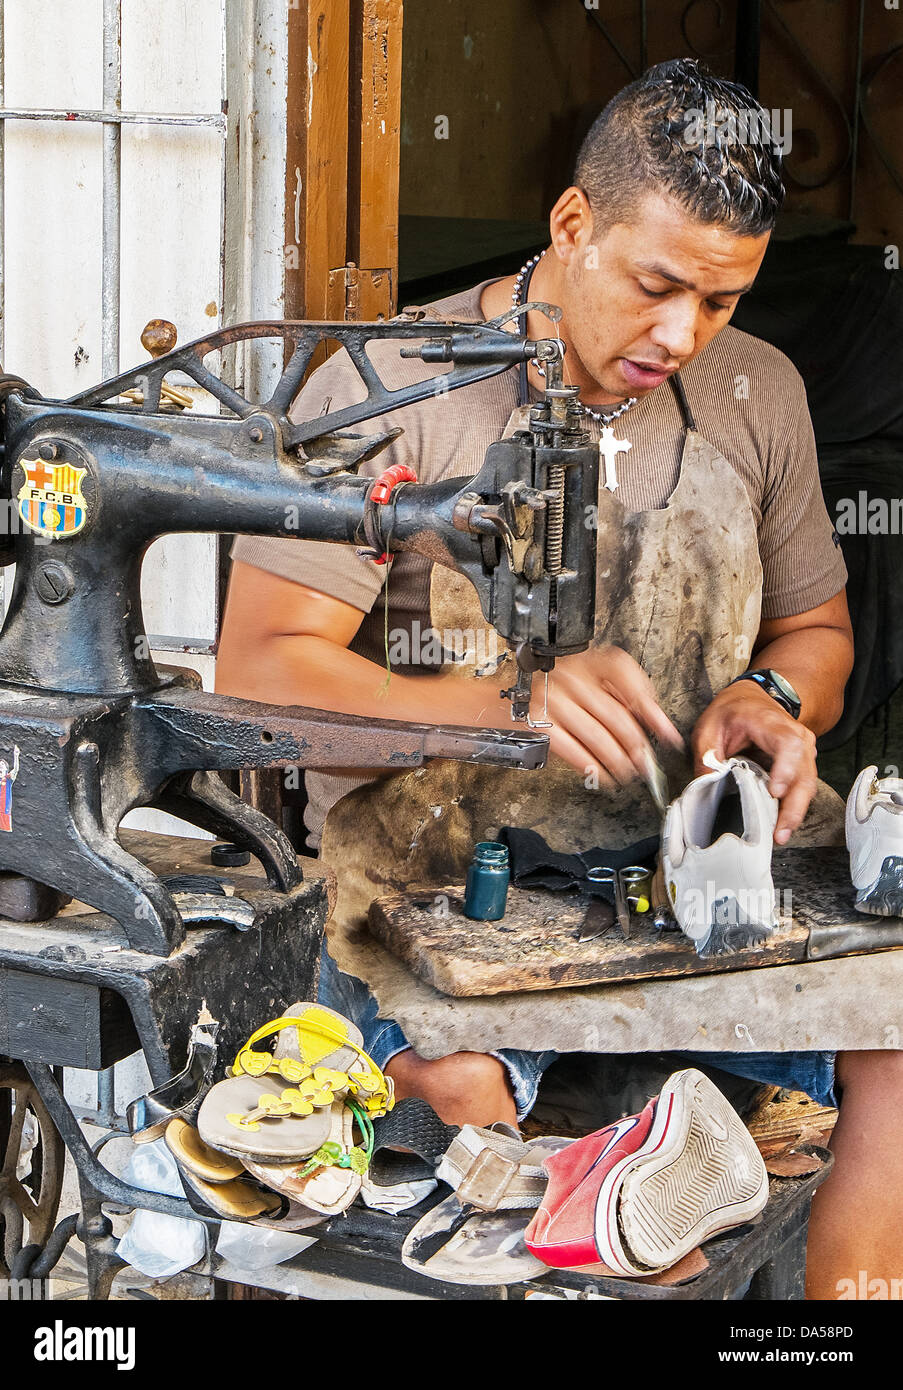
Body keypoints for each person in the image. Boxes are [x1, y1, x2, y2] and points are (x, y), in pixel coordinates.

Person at [217, 60, 902, 1298]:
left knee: (901, 1050)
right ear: (573, 225)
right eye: (656, 287)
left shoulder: (757, 393)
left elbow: (820, 631)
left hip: (679, 889)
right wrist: (502, 712)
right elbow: (259, 674)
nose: (682, 334)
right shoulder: (386, 393)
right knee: (463, 1098)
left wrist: (776, 699)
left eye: (722, 298)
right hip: (430, 897)